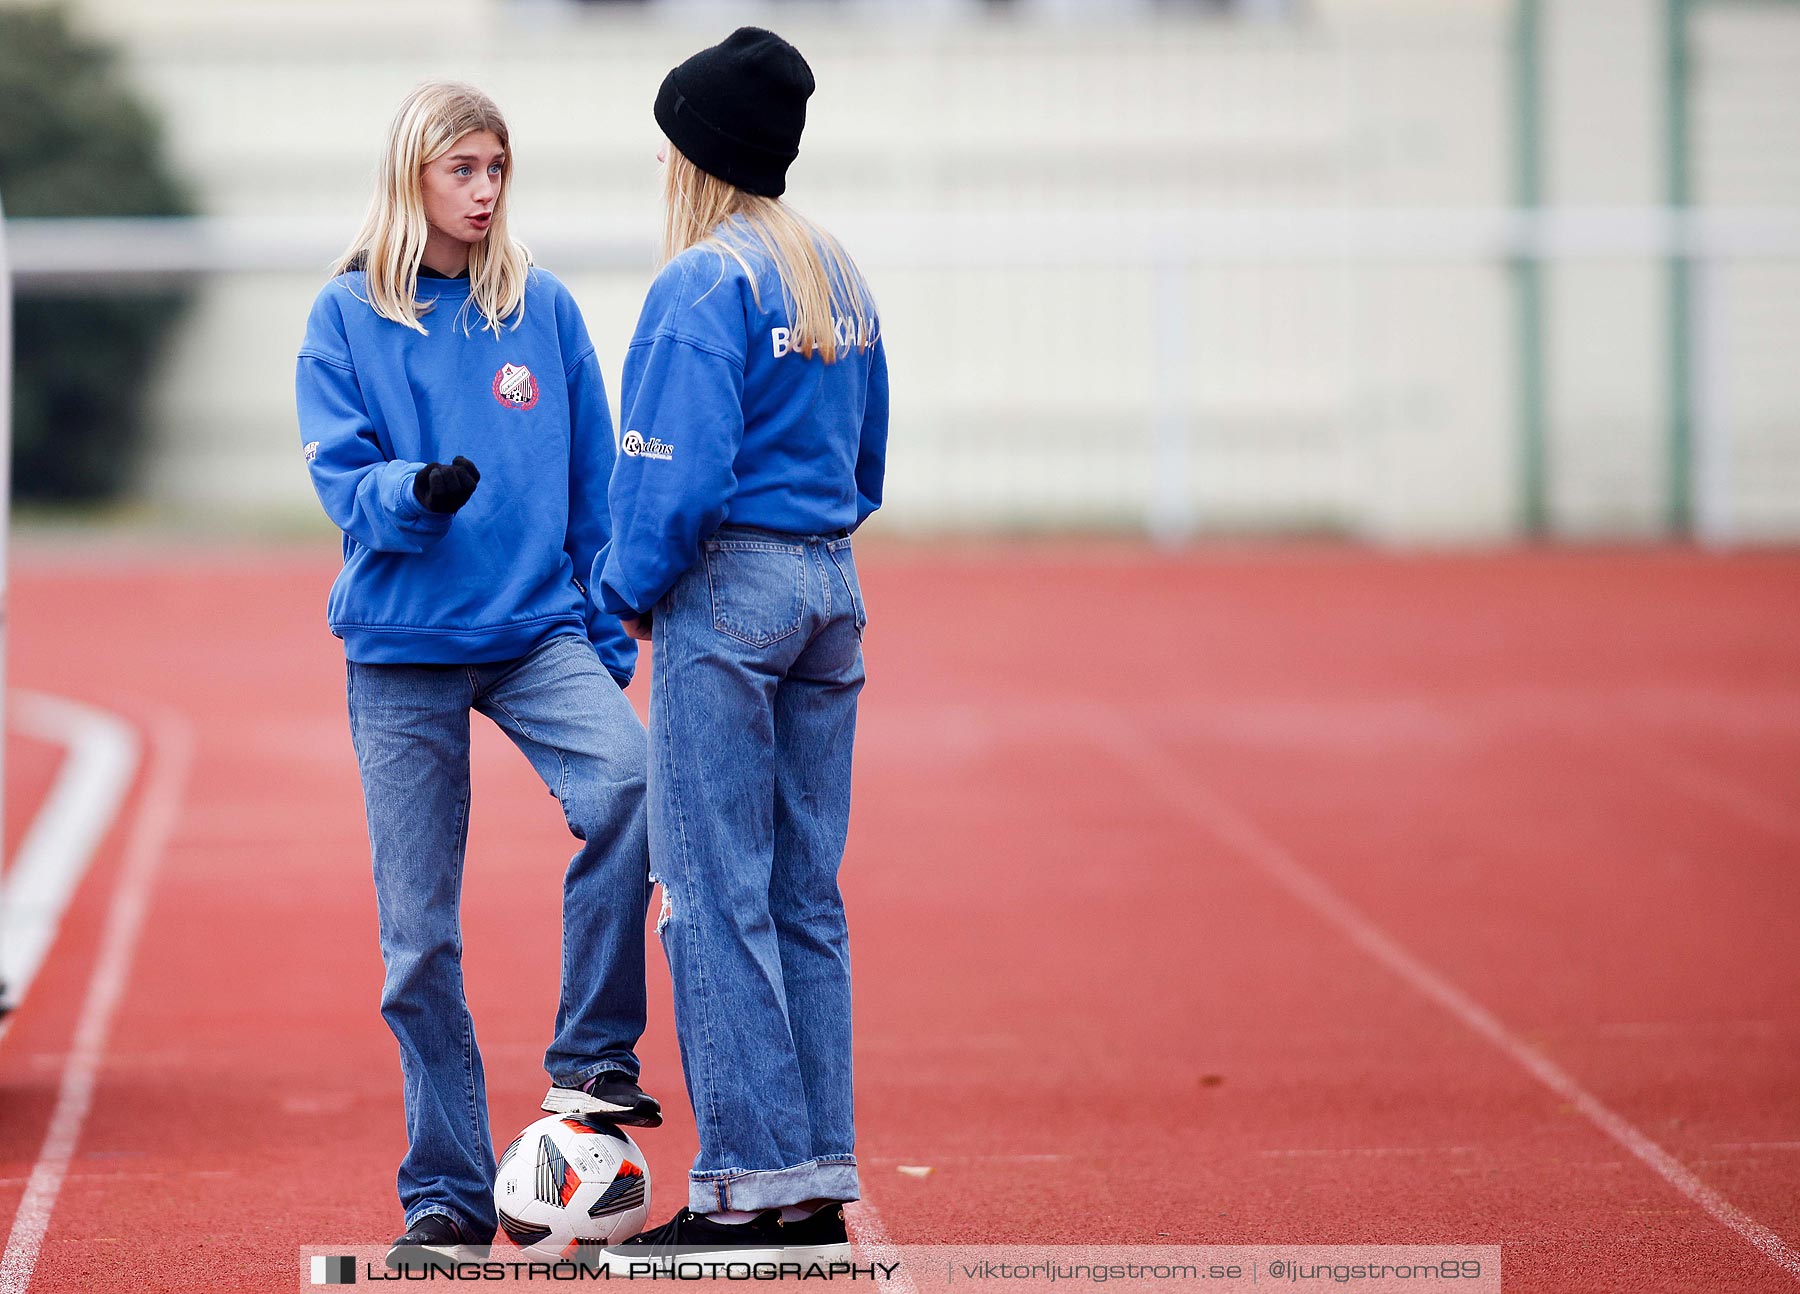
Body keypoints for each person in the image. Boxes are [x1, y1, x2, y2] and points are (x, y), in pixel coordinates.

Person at [293, 80, 661, 1271]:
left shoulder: (541, 308)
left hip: (534, 633)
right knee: (419, 945)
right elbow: (346, 481)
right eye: (465, 169)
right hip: (401, 650)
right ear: (415, 176)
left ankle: (593, 1051)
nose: (486, 191)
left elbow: (595, 487)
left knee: (633, 785)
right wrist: (415, 495)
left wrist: (605, 642)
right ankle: (447, 1192)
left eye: (499, 168)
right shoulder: (345, 315)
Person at [594, 28, 889, 1268]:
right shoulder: (837, 272)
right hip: (830, 584)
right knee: (804, 896)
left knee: (711, 895)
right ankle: (814, 1185)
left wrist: (621, 595)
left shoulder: (700, 285)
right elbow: (870, 463)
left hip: (732, 592)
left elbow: (670, 481)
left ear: (693, 154)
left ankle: (743, 1201)